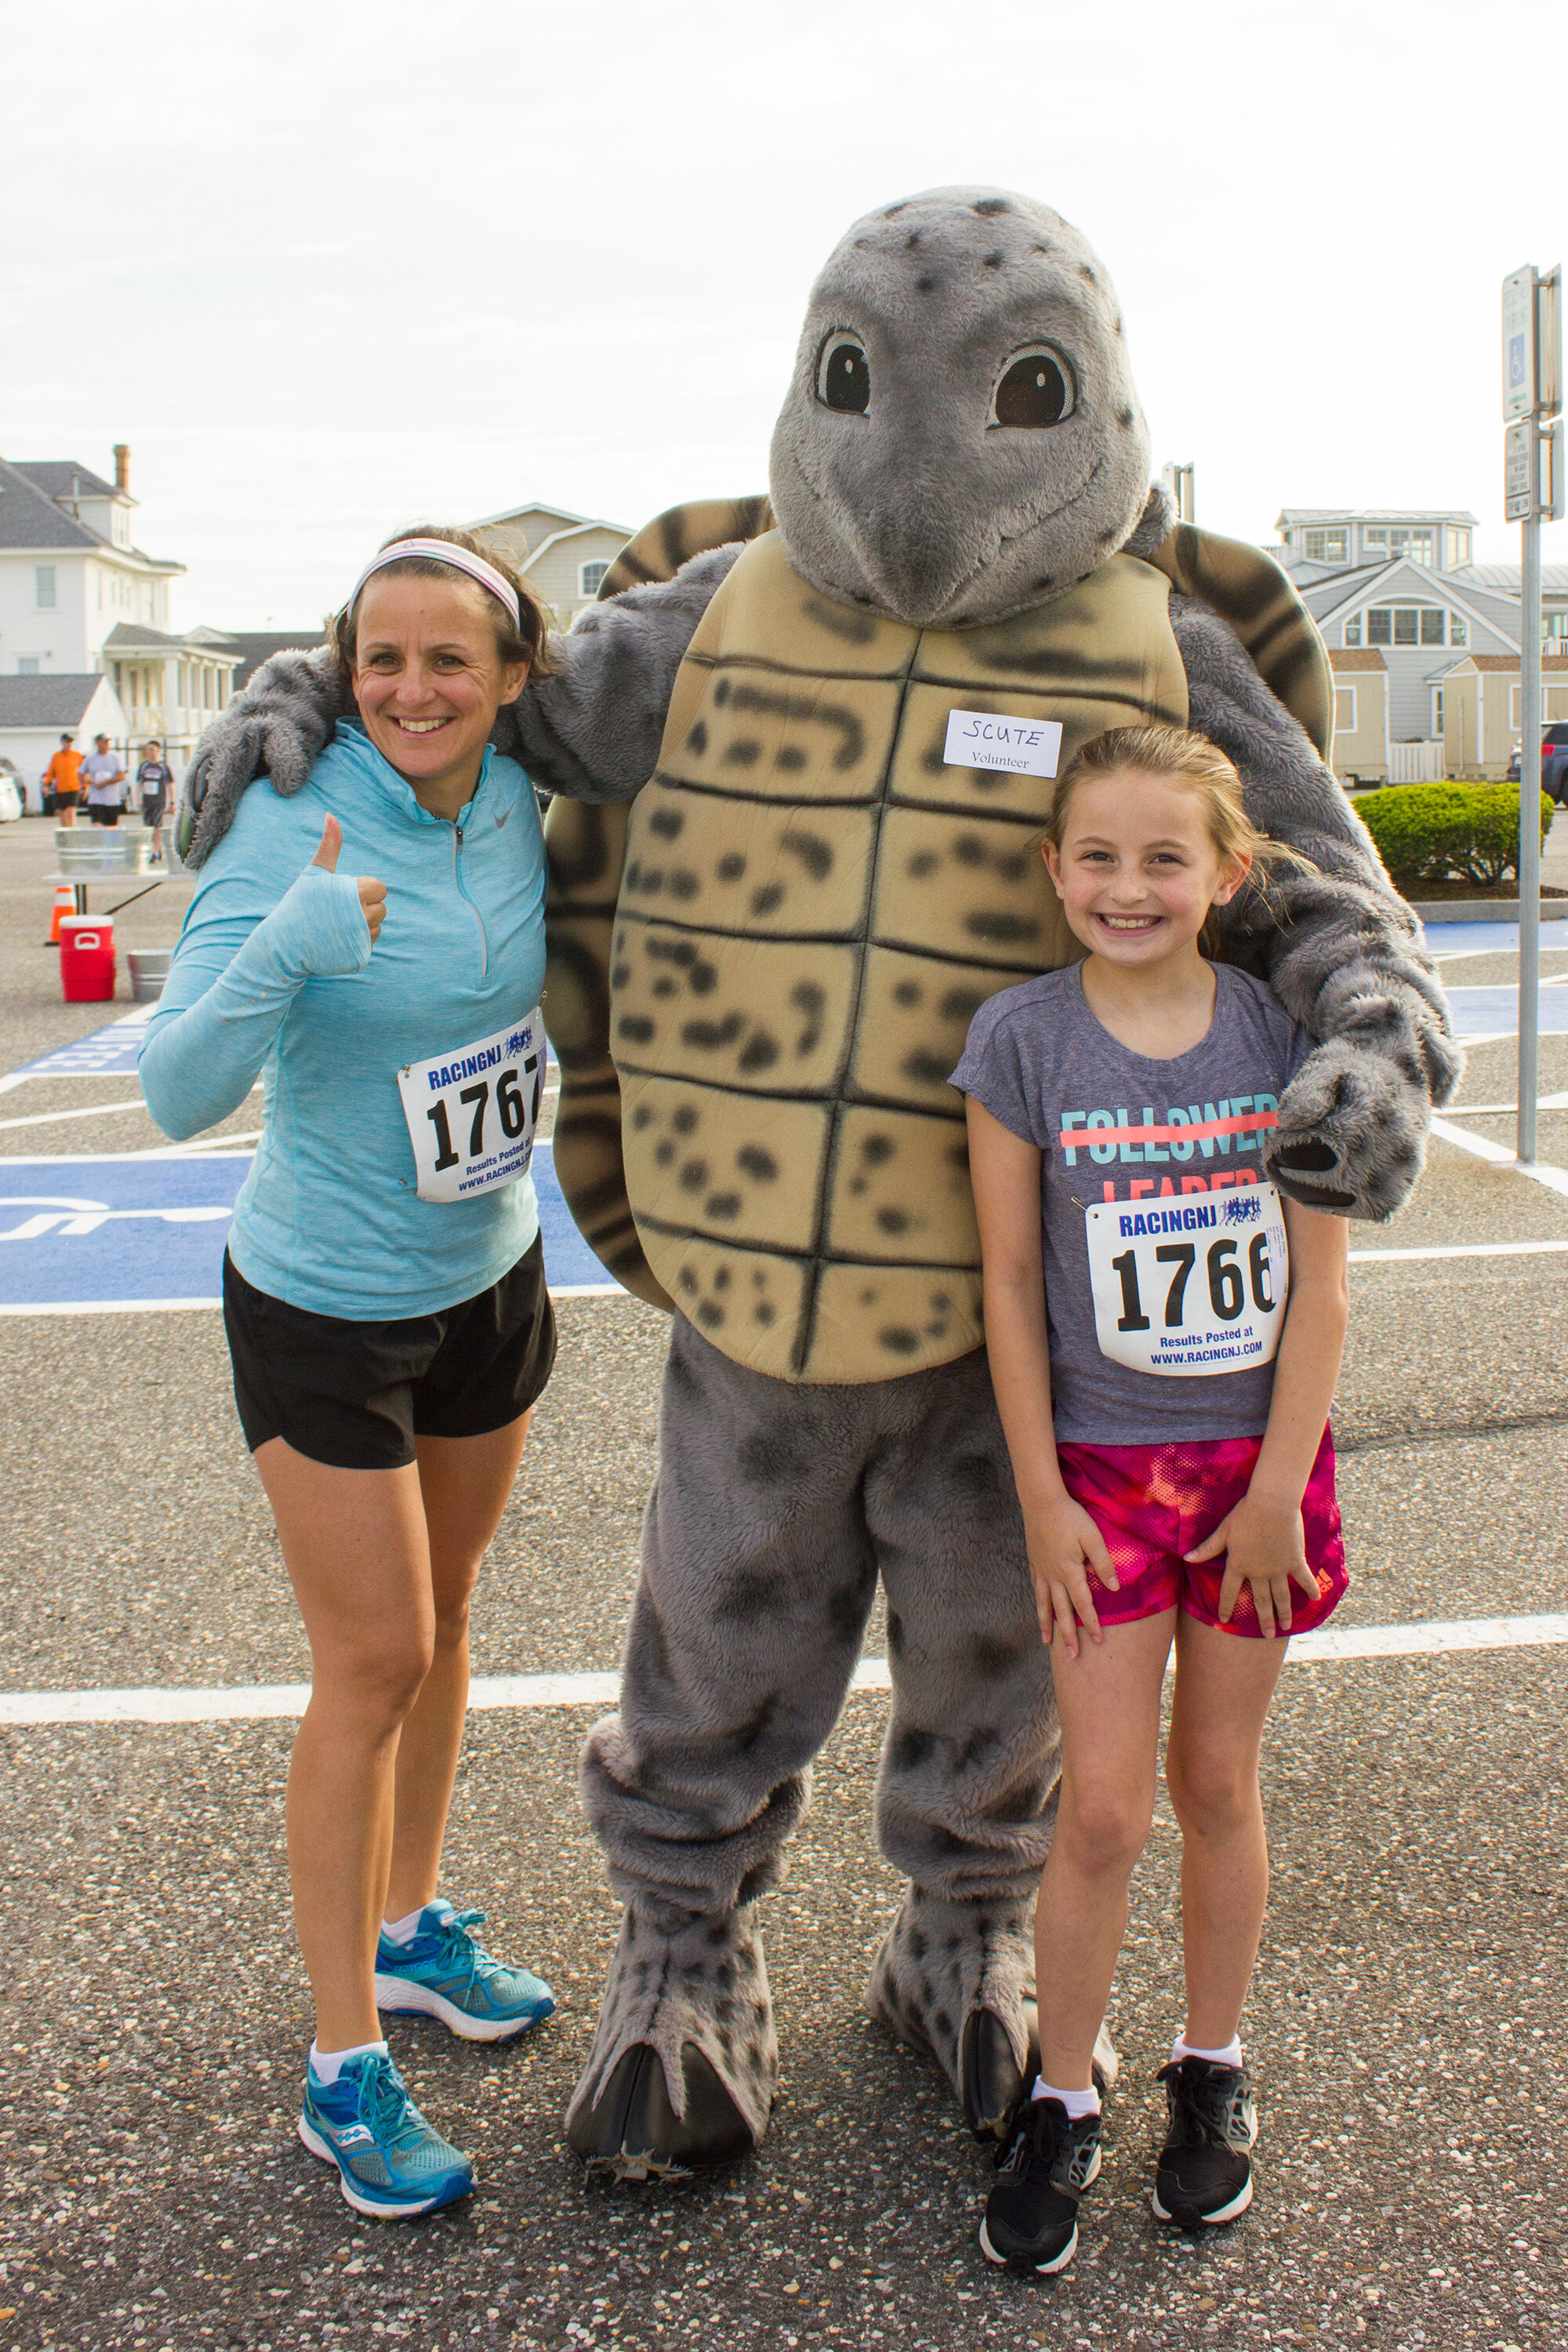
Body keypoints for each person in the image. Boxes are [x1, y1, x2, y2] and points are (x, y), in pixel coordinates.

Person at [140, 528, 563, 2220]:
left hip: (490, 1273)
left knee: (449, 1618)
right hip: (323, 1300)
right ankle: (341, 2068)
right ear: (342, 667)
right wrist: (293, 938)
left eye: (448, 659)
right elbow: (176, 1085)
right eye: (381, 658)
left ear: (513, 678)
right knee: (371, 1655)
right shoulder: (288, 815)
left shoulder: (529, 791)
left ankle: (409, 1932)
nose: (411, 689)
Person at [950, 724, 1352, 2277]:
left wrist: (1271, 1490)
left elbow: (1320, 1287)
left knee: (1217, 1788)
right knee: (1103, 1806)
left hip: (1257, 1474)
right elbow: (1002, 1282)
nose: (1128, 886)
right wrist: (1042, 1498)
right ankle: (1060, 2093)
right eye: (1097, 857)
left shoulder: (1278, 1034)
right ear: (1054, 871)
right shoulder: (1022, 1042)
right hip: (1099, 1479)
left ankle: (1209, 2067)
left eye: (1164, 857)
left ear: (1225, 875)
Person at [136, 739, 175, 863]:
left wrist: (172, 802)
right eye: (148, 749)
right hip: (147, 800)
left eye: (152, 749)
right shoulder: (144, 766)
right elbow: (139, 783)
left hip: (159, 800)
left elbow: (170, 784)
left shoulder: (163, 767)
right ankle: (154, 849)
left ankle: (155, 852)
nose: (150, 752)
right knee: (148, 827)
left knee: (157, 826)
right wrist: (138, 798)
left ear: (158, 750)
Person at [80, 733, 127, 826]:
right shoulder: (91, 758)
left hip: (112, 800)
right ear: (97, 743)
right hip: (96, 799)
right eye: (104, 742)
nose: (106, 744)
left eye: (107, 742)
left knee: (111, 827)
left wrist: (106, 782)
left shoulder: (115, 758)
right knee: (96, 825)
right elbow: (79, 774)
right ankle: (98, 840)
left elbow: (122, 775)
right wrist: (89, 781)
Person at [44, 732, 84, 826]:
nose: (69, 744)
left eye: (70, 742)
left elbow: (83, 772)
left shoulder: (77, 755)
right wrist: (46, 785)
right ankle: (65, 834)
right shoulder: (56, 756)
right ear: (62, 742)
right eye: (67, 742)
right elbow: (51, 772)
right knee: (62, 816)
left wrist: (84, 786)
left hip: (73, 788)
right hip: (61, 789)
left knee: (70, 813)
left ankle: (72, 833)